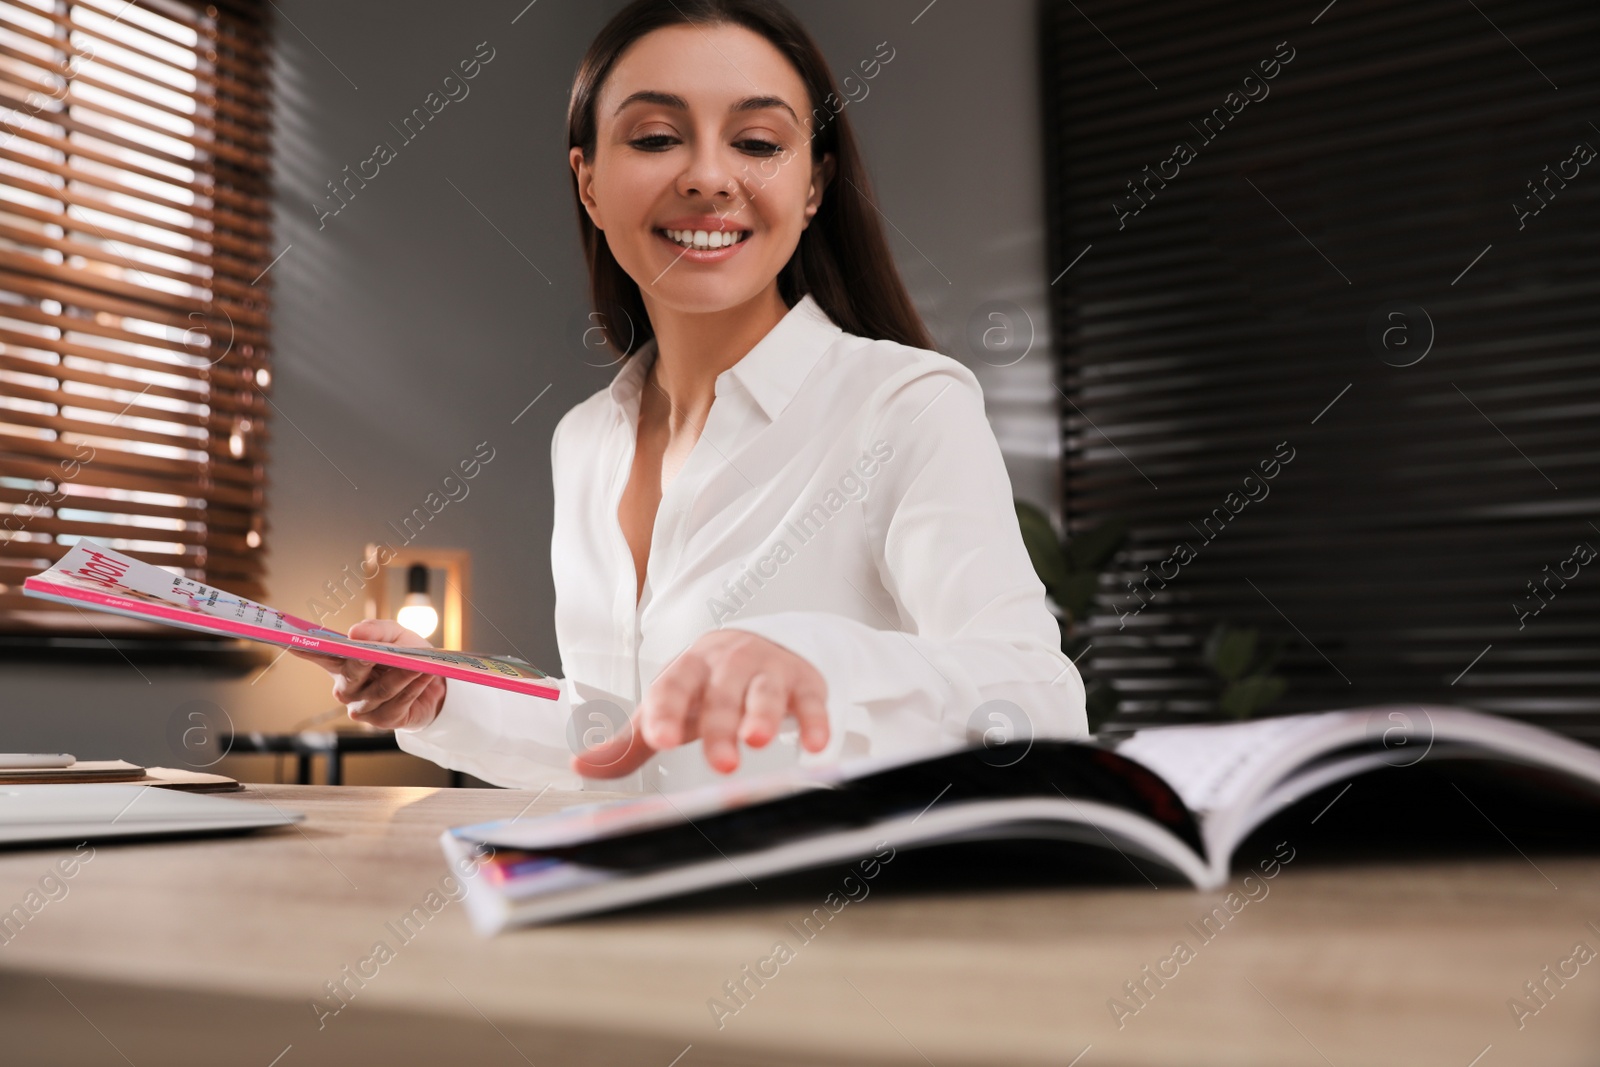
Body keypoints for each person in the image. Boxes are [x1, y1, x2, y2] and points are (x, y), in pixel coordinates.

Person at [295, 0, 1086, 793]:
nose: (708, 176)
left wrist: (815, 659)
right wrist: (443, 695)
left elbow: (1040, 702)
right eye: (655, 138)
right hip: (635, 901)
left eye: (757, 143)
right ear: (591, 184)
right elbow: (624, 744)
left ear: (814, 186)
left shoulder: (907, 405)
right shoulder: (584, 441)